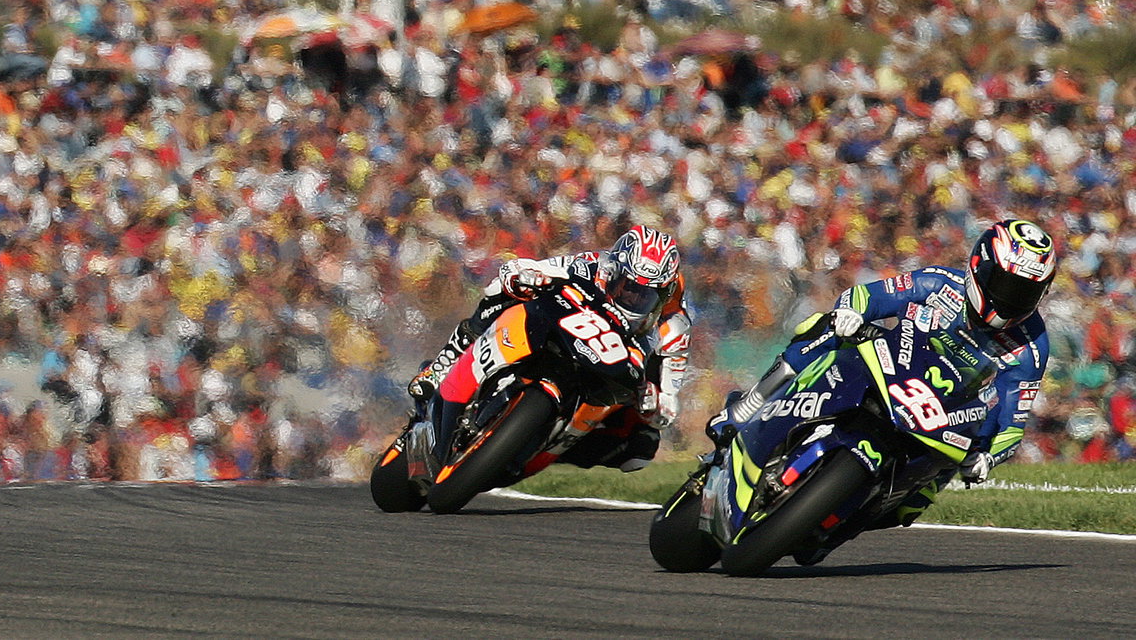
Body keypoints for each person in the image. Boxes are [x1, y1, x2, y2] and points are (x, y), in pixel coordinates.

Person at [706, 218, 1057, 528]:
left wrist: (988, 458)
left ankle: (855, 514)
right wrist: (851, 313)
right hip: (890, 368)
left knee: (921, 496)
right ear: (980, 267)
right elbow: (867, 296)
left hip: (945, 415)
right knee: (825, 328)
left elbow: (1012, 423)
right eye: (1006, 284)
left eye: (1026, 292)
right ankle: (749, 407)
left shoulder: (1031, 345)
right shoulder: (939, 283)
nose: (1012, 299)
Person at [408, 226, 691, 473]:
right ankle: (443, 365)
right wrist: (525, 278)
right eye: (626, 286)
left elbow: (667, 408)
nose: (631, 297)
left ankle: (536, 448)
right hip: (569, 327)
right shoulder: (593, 263)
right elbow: (520, 270)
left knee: (640, 451)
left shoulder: (674, 325)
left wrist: (652, 400)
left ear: (662, 295)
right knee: (500, 294)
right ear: (615, 269)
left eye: (644, 295)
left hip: (615, 366)